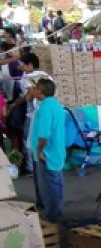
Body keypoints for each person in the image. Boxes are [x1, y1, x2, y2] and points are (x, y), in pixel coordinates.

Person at [27, 79, 66, 223]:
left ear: (40, 92)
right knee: (56, 182)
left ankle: (51, 216)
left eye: (35, 88)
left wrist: (40, 151)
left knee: (48, 186)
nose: (33, 90)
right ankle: (57, 210)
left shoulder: (45, 109)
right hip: (57, 150)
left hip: (47, 152)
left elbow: (44, 135)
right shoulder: (56, 105)